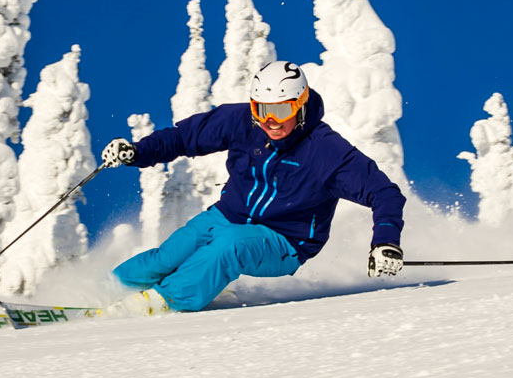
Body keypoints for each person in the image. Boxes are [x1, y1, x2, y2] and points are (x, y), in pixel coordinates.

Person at [98, 61, 406, 312]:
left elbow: (384, 193)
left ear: (300, 106)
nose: (271, 121)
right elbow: (183, 137)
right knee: (168, 256)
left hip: (286, 240)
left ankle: (163, 302)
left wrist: (386, 241)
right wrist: (137, 152)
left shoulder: (326, 151)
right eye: (262, 110)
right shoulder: (242, 122)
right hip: (226, 216)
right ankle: (103, 293)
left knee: (229, 246)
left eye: (282, 110)